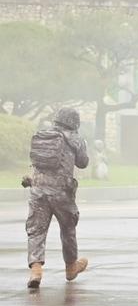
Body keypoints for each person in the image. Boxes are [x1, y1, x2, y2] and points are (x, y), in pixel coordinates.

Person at [24, 108, 89, 288]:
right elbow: (83, 163)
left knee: (36, 230)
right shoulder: (75, 138)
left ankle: (36, 269)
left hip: (38, 190)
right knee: (68, 230)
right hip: (62, 192)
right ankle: (70, 267)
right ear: (74, 122)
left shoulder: (41, 135)